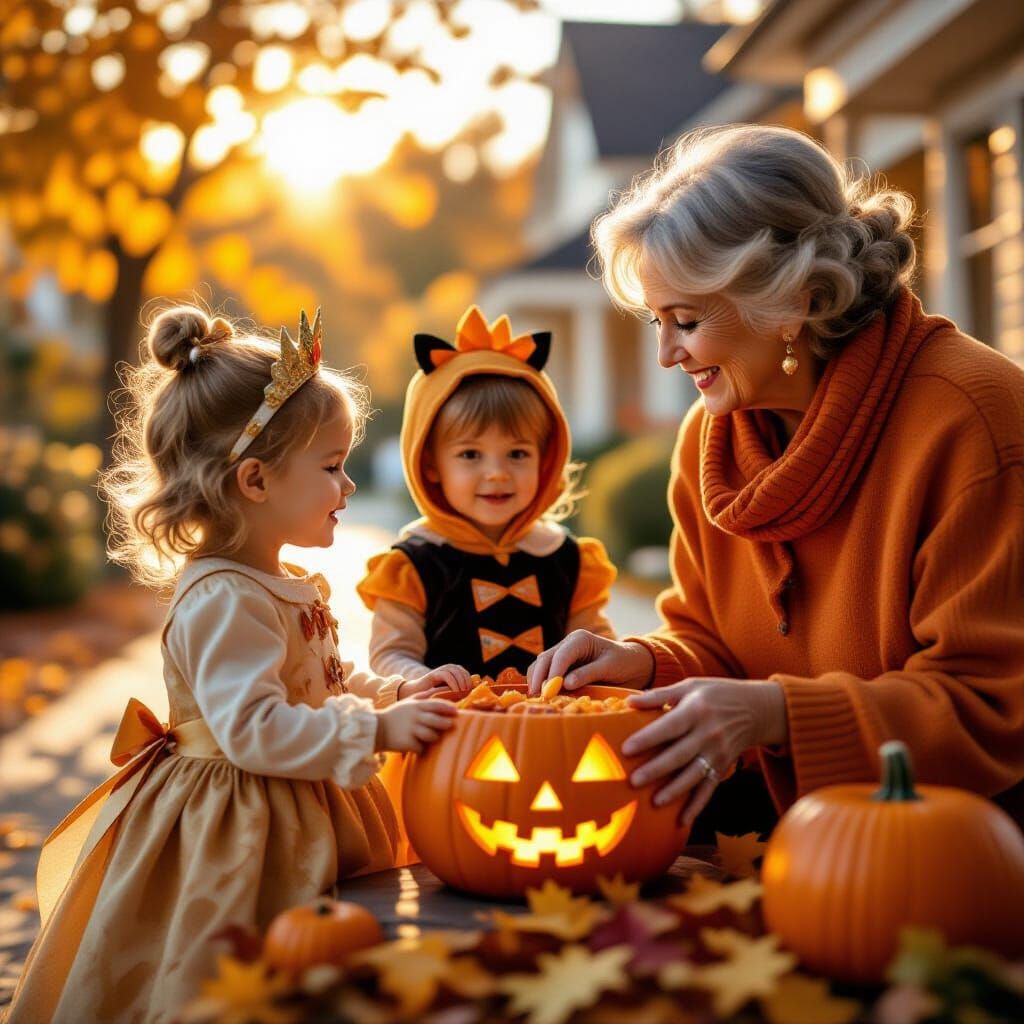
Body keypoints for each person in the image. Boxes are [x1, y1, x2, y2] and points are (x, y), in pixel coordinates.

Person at [528, 124, 1024, 841]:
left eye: (686, 321)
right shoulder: (710, 439)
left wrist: (777, 715)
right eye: (656, 323)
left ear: (792, 300)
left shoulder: (975, 419)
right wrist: (642, 665)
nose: (667, 354)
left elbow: (993, 707)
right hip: (775, 849)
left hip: (960, 867)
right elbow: (716, 648)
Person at [7, 305, 458, 1024]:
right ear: (254, 481)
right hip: (242, 825)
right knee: (236, 971)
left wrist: (395, 692)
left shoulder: (277, 580)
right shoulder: (223, 597)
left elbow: (321, 683)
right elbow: (252, 727)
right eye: (333, 468)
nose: (347, 488)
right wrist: (375, 733)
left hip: (301, 801)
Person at [357, 305, 617, 692]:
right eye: (470, 455)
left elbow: (595, 646)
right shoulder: (412, 565)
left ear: (545, 460)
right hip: (452, 731)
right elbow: (390, 654)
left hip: (552, 728)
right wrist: (418, 677)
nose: (496, 473)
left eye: (517, 454)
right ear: (430, 465)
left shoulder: (568, 559)